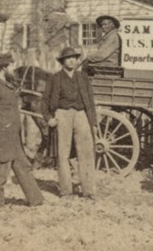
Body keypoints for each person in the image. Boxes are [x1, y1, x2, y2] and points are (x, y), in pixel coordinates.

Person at [0, 53, 44, 208]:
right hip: (1, 137)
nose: (14, 68)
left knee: (23, 167)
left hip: (13, 137)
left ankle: (36, 200)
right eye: (11, 65)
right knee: (0, 170)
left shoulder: (7, 84)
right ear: (3, 67)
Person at [42, 47, 97, 199]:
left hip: (81, 115)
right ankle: (66, 191)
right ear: (63, 62)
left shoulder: (83, 78)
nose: (72, 60)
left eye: (74, 58)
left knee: (86, 153)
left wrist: (93, 122)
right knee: (62, 154)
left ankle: (89, 190)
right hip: (62, 115)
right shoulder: (55, 78)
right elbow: (44, 101)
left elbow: (91, 101)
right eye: (68, 58)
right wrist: (49, 118)